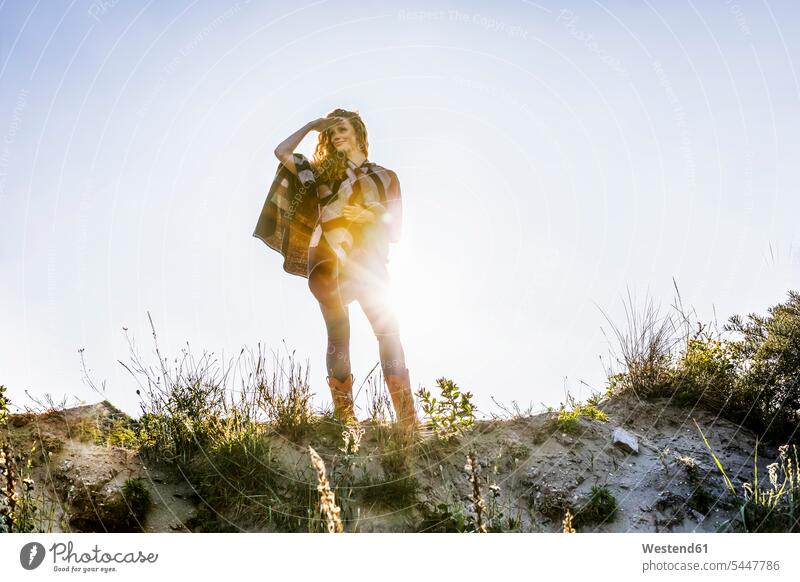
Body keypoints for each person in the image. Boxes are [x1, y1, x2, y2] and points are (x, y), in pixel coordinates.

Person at [253, 108, 417, 429]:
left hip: (368, 261)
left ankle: (407, 420)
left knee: (388, 330)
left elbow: (394, 230)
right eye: (331, 133)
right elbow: (282, 152)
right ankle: (346, 421)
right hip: (328, 259)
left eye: (342, 129)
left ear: (358, 132)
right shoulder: (320, 174)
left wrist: (366, 215)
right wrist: (313, 126)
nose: (336, 135)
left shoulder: (386, 177)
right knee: (338, 335)